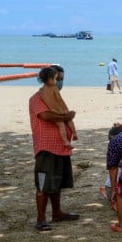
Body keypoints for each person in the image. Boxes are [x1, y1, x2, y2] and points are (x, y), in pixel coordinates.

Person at [29, 70, 79, 232]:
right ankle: (41, 218)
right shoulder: (37, 98)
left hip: (61, 148)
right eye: (58, 79)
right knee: (43, 185)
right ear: (50, 79)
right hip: (46, 148)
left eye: (62, 79)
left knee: (57, 182)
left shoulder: (55, 97)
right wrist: (67, 117)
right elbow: (45, 116)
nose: (60, 82)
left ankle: (57, 213)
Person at [38, 67, 77, 148]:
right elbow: (59, 100)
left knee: (61, 125)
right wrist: (65, 108)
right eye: (55, 79)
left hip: (52, 110)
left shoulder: (41, 91)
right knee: (69, 120)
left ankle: (65, 142)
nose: (56, 81)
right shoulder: (54, 88)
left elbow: (46, 101)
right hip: (59, 109)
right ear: (50, 79)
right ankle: (74, 134)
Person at [99, 123, 122, 201]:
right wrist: (114, 190)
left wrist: (114, 190)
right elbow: (113, 169)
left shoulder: (114, 144)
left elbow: (113, 169)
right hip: (119, 186)